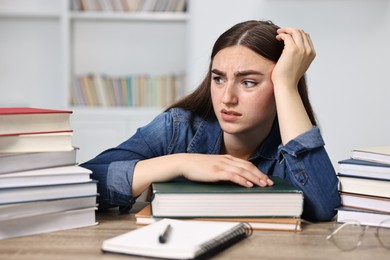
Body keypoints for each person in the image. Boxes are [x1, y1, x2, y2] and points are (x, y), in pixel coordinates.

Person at [80, 20, 340, 221]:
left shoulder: (289, 144)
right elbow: (81, 183)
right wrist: (181, 163)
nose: (227, 97)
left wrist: (286, 84)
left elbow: (323, 207)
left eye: (248, 82)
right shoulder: (177, 128)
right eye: (218, 79)